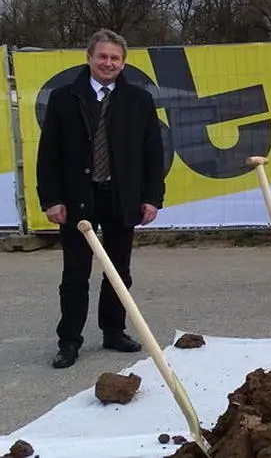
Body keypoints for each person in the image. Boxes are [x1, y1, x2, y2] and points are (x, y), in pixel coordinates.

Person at [36, 29, 166, 369]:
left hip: (122, 197)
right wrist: (51, 199)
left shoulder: (139, 100)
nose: (108, 63)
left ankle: (113, 330)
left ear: (123, 63)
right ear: (89, 58)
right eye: (102, 56)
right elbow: (48, 153)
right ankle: (69, 340)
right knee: (75, 273)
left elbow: (153, 153)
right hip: (77, 198)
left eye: (115, 58)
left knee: (118, 269)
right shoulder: (64, 98)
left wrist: (152, 197)